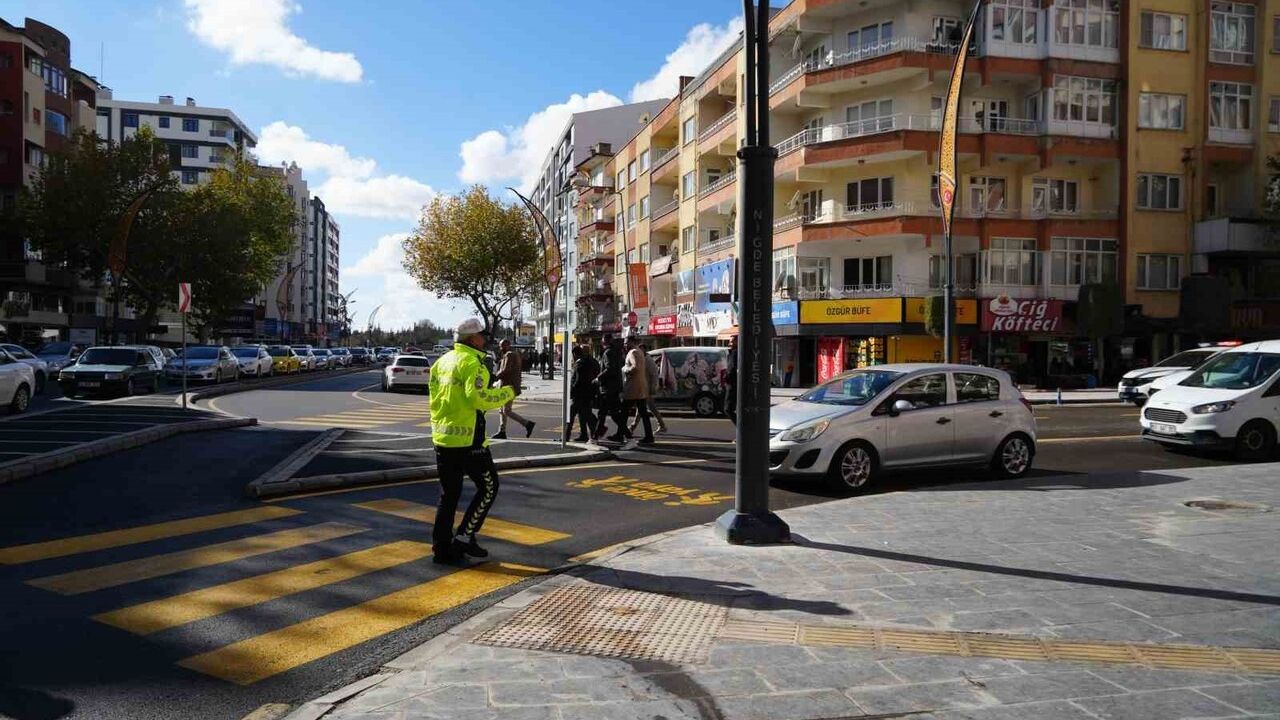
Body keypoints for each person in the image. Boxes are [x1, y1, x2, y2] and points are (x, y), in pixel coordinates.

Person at [427, 318, 516, 565]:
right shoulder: (473, 363)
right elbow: (479, 398)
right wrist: (508, 392)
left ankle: (441, 548)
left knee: (449, 495)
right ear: (472, 339)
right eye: (481, 336)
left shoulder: (441, 362)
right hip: (469, 442)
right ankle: (464, 538)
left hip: (443, 439)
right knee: (488, 487)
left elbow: (435, 398)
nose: (485, 339)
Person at [493, 339, 535, 440]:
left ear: (507, 345)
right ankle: (502, 431)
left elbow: (506, 370)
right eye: (500, 346)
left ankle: (527, 424)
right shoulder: (511, 354)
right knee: (502, 410)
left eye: (502, 346)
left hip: (509, 386)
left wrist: (494, 377)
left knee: (506, 411)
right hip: (508, 386)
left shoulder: (509, 355)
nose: (500, 348)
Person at [593, 336, 628, 442]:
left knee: (603, 414)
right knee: (614, 414)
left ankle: (595, 437)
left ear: (604, 342)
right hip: (615, 387)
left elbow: (609, 369)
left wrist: (598, 378)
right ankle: (628, 436)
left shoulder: (608, 353)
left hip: (608, 388)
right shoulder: (616, 353)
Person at [622, 335, 655, 444]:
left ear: (632, 342)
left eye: (626, 342)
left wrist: (625, 370)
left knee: (623, 412)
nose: (625, 345)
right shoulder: (640, 352)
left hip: (633, 388)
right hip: (640, 388)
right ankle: (649, 437)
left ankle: (622, 434)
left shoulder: (633, 352)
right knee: (643, 413)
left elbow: (636, 367)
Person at [628, 343, 667, 435]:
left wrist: (653, 387)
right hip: (642, 387)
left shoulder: (648, 361)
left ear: (645, 350)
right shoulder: (641, 360)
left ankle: (632, 427)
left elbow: (654, 374)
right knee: (647, 408)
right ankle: (662, 425)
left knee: (644, 408)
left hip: (647, 388)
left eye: (641, 349)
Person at [566, 344, 599, 442]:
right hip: (589, 393)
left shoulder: (580, 363)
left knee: (571, 416)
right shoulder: (592, 361)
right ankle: (586, 434)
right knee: (583, 415)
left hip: (579, 394)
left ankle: (566, 437)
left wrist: (572, 392)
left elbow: (578, 380)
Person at [724, 334, 738, 425]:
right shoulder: (731, 353)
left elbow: (732, 368)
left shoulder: (735, 353)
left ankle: (742, 429)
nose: (730, 342)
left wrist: (728, 377)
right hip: (731, 383)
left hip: (733, 384)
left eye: (732, 341)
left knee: (728, 409)